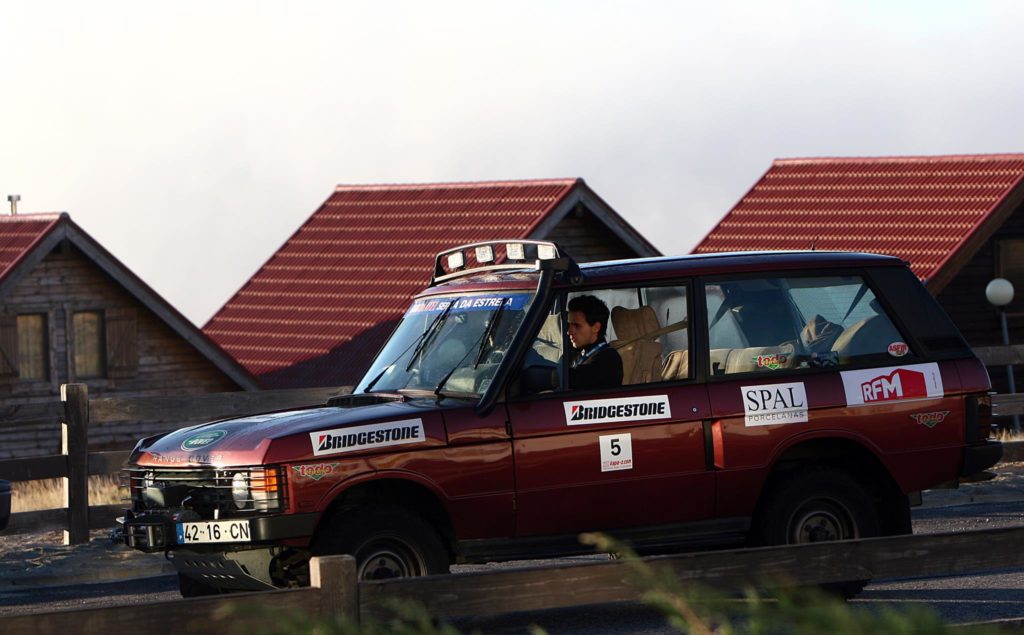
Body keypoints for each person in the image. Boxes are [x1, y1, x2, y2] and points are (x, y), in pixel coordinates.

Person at [567, 295, 623, 390]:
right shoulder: (577, 352)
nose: (569, 331)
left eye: (576, 326)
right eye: (569, 325)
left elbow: (579, 378)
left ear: (596, 327)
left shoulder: (608, 358)